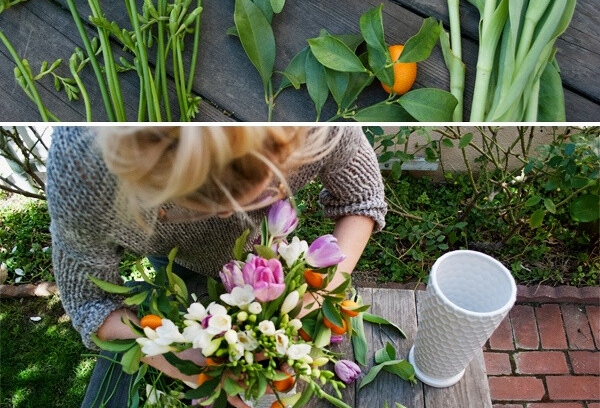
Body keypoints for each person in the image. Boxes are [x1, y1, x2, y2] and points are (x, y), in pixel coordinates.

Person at [46, 125, 386, 388]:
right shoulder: (83, 172)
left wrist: (316, 295)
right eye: (193, 206)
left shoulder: (316, 126)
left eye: (265, 191)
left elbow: (363, 196)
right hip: (182, 266)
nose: (230, 216)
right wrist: (186, 361)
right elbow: (90, 304)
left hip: (272, 260)